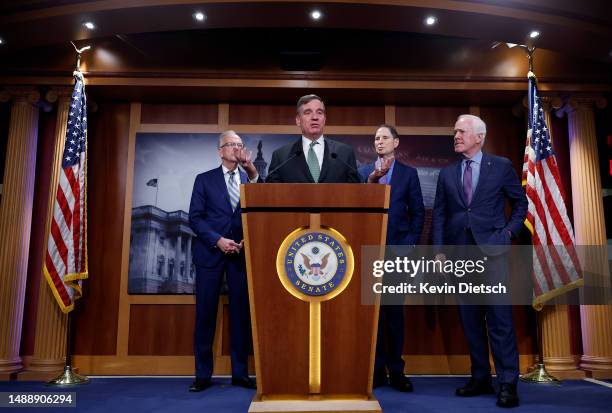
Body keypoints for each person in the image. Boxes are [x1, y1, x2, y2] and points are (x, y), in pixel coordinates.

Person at [431, 115, 527, 408]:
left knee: (499, 321)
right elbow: (439, 215)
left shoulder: (500, 166)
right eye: (455, 131)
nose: (456, 135)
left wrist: (509, 232)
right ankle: (480, 376)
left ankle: (508, 382)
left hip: (493, 254)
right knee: (470, 321)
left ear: (479, 137)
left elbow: (520, 203)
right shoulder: (447, 174)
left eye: (461, 131)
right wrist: (438, 252)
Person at [188, 130, 259, 392]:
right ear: (220, 150)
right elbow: (195, 218)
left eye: (240, 144)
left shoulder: (249, 179)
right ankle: (202, 375)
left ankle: (240, 374)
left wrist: (244, 241)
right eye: (231, 145)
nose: (236, 148)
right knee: (205, 315)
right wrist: (217, 240)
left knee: (241, 316)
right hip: (210, 254)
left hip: (240, 255)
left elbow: (259, 211)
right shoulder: (204, 180)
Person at [359, 125, 425, 392]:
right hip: (368, 254)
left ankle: (396, 371)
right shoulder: (364, 173)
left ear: (396, 143)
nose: (379, 141)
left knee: (394, 314)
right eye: (376, 138)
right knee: (371, 315)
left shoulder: (409, 174)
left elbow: (418, 213)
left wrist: (408, 245)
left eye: (384, 137)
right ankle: (374, 371)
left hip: (397, 252)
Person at [266, 94, 360, 183]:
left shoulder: (344, 153)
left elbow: (356, 192)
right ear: (298, 120)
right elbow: (270, 193)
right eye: (308, 112)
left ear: (324, 119)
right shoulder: (281, 156)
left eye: (319, 112)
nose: (315, 117)